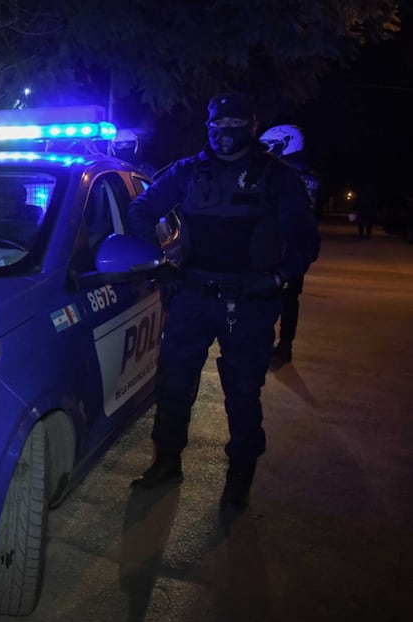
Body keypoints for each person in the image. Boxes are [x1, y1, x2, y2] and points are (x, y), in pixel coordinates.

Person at [125, 92, 319, 511]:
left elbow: (305, 240)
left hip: (250, 302)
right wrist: (160, 263)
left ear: (252, 126)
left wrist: (278, 278)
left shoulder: (277, 177)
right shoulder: (187, 171)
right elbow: (141, 210)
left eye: (234, 125)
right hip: (192, 294)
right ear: (208, 126)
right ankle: (167, 461)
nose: (224, 133)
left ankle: (239, 478)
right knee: (173, 385)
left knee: (243, 393)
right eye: (217, 125)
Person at [259, 124, 322, 367]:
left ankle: (278, 346)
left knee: (278, 298)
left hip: (283, 245)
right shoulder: (305, 173)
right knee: (288, 299)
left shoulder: (289, 174)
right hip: (293, 246)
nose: (266, 151)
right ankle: (283, 345)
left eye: (270, 146)